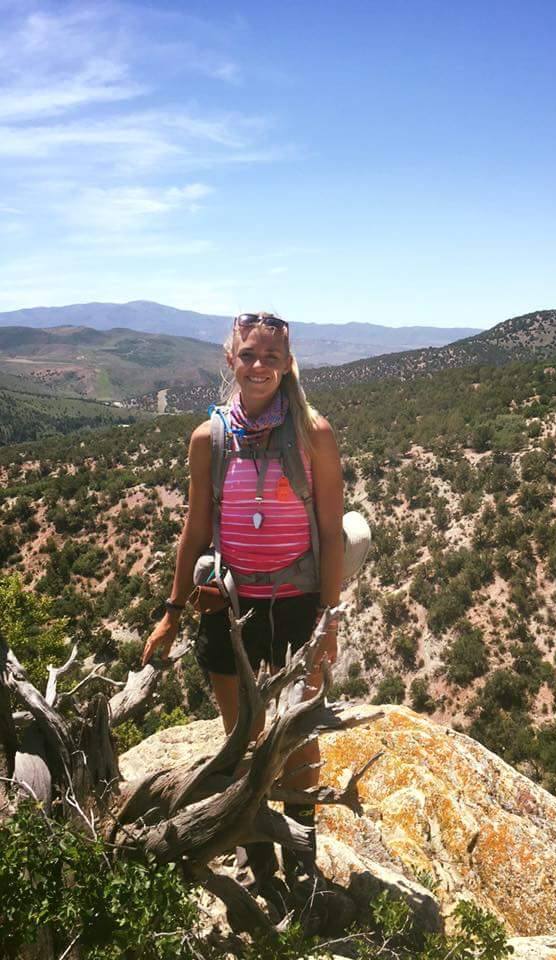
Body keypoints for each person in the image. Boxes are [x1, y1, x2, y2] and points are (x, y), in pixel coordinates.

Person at [141, 310, 344, 891]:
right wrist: (171, 613)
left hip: (299, 602)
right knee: (239, 738)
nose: (259, 367)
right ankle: (256, 857)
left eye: (271, 358)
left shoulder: (313, 433)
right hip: (228, 604)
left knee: (298, 741)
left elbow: (331, 534)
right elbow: (195, 530)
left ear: (287, 365)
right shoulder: (209, 439)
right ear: (231, 359)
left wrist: (328, 621)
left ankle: (302, 861)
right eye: (248, 356)